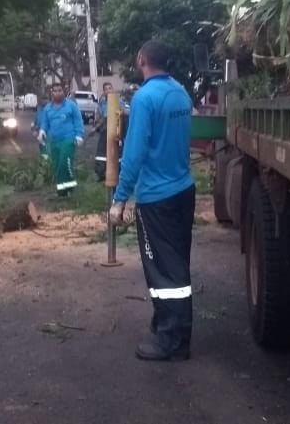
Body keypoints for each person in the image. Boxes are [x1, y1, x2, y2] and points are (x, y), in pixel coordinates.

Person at [109, 40, 195, 361]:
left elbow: (134, 155)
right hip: (183, 190)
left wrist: (120, 200)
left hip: (156, 197)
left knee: (163, 271)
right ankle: (167, 325)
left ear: (142, 59)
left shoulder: (145, 98)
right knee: (177, 264)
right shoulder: (180, 93)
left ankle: (172, 341)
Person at [38, 83, 85, 197]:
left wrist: (79, 135)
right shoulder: (48, 108)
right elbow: (45, 123)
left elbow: (78, 120)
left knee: (65, 163)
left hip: (68, 140)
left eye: (60, 90)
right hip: (54, 142)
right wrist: (42, 131)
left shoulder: (70, 105)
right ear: (51, 92)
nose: (57, 93)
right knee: (58, 166)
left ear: (63, 92)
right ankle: (62, 191)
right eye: (55, 91)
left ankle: (69, 188)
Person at [94, 83, 129, 181]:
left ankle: (120, 174)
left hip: (117, 131)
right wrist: (97, 127)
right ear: (103, 92)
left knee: (118, 153)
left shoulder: (119, 101)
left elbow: (128, 112)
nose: (108, 90)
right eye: (106, 89)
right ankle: (102, 173)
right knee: (102, 153)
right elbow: (99, 118)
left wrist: (122, 111)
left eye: (110, 88)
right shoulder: (101, 104)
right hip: (105, 131)